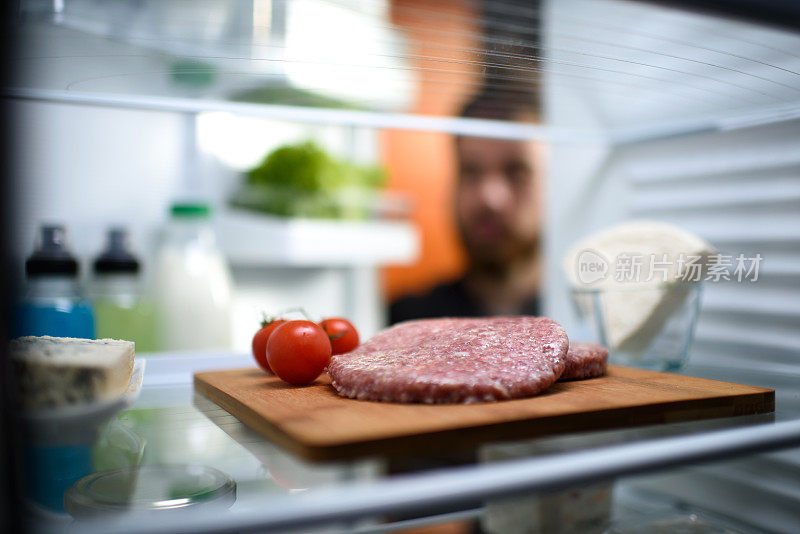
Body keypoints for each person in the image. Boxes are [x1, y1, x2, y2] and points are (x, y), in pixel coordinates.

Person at [390, 90, 543, 323]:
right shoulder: (407, 320)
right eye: (471, 171)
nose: (490, 198)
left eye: (516, 172)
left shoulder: (589, 317)